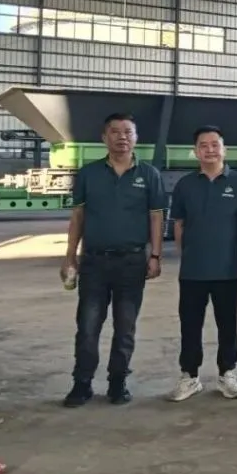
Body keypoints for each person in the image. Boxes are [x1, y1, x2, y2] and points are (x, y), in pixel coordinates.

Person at [61, 112, 166, 407]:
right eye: (115, 131)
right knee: (88, 325)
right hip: (94, 263)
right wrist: (70, 256)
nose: (122, 137)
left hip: (132, 263)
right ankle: (82, 383)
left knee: (125, 327)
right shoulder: (89, 174)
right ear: (104, 137)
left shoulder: (149, 175)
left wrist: (155, 255)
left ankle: (118, 383)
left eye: (128, 132)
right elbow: (78, 216)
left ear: (136, 138)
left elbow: (156, 217)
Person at [166, 125, 237, 402]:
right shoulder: (185, 185)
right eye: (203, 145)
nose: (210, 150)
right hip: (193, 271)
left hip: (228, 270)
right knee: (190, 325)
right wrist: (186, 256)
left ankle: (227, 373)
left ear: (224, 149)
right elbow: (179, 225)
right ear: (195, 152)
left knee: (227, 324)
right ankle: (189, 376)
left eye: (215, 144)